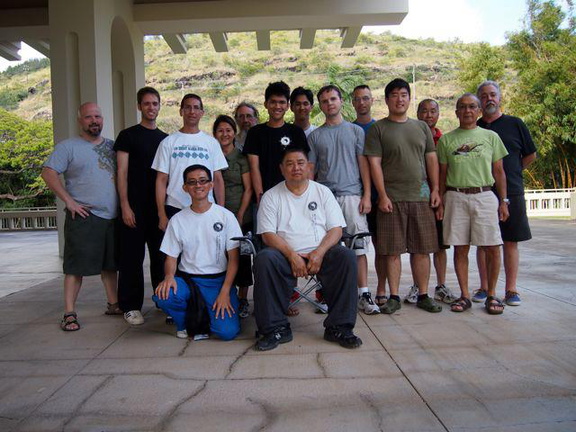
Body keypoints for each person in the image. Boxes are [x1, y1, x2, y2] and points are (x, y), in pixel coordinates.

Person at [253, 146, 362, 351]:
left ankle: (340, 327)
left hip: (321, 252)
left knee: (346, 256)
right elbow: (267, 234)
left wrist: (319, 252)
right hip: (284, 255)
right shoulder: (271, 195)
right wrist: (292, 255)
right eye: (290, 163)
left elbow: (336, 229)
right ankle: (274, 329)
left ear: (309, 167)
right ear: (281, 169)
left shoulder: (322, 192)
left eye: (300, 163)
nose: (296, 168)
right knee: (264, 259)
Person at [364, 78, 443, 315]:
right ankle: (394, 296)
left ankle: (424, 294)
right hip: (392, 199)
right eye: (395, 95)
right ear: (387, 100)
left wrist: (436, 189)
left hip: (421, 197)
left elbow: (431, 159)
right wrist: (383, 195)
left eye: (404, 94)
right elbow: (374, 164)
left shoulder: (421, 127)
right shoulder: (378, 128)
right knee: (392, 250)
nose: (400, 99)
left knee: (422, 249)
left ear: (409, 98)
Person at [41, 102, 119, 331]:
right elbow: (48, 173)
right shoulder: (68, 147)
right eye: (88, 117)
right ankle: (69, 313)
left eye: (98, 116)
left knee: (110, 265)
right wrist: (69, 201)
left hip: (111, 217)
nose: (94, 121)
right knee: (75, 268)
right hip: (85, 216)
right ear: (80, 120)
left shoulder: (112, 147)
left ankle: (113, 304)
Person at [308, 84, 379, 315]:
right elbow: (311, 170)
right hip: (326, 199)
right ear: (320, 105)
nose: (329, 103)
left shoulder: (356, 131)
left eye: (333, 99)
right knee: (329, 249)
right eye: (325, 100)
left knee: (358, 248)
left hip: (352, 197)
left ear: (341, 101)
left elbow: (363, 165)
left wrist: (367, 195)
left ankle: (364, 294)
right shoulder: (316, 136)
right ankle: (329, 295)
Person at [437, 93, 509, 315]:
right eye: (462, 107)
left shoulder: (491, 136)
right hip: (455, 196)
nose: (467, 111)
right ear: (456, 112)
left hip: (484, 195)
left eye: (472, 107)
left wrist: (504, 201)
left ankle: (491, 294)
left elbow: (499, 171)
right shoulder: (446, 140)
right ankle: (465, 295)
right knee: (460, 248)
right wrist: (439, 201)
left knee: (492, 247)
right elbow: (441, 174)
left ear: (478, 111)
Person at [153, 164, 243, 340]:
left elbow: (234, 259)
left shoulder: (225, 216)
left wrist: (225, 291)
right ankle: (185, 323)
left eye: (203, 181)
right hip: (189, 281)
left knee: (227, 333)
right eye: (192, 182)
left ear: (210, 185)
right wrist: (169, 277)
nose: (198, 186)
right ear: (185, 188)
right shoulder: (178, 220)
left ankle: (208, 315)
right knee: (164, 296)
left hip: (217, 282)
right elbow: (171, 256)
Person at [475, 81, 537, 306]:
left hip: (512, 192)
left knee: (511, 241)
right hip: (482, 193)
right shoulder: (475, 127)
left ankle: (511, 289)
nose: (489, 99)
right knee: (484, 243)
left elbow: (530, 155)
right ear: (479, 101)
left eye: (493, 95)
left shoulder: (515, 124)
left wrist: (513, 171)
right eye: (484, 96)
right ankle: (483, 287)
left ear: (499, 98)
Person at [114, 87, 167, 326]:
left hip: (158, 209)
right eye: (146, 103)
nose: (151, 107)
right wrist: (124, 205)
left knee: (160, 257)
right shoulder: (127, 136)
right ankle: (131, 306)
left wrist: (163, 211)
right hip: (133, 208)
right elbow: (121, 172)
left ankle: (163, 300)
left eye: (155, 103)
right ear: (139, 106)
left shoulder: (166, 139)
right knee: (131, 259)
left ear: (159, 106)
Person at [152, 93, 228, 231]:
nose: (192, 112)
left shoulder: (211, 143)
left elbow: (217, 179)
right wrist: (161, 214)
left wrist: (220, 211)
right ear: (181, 111)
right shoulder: (168, 142)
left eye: (196, 108)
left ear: (201, 112)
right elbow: (161, 180)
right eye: (187, 107)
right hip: (175, 207)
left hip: (207, 207)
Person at [415, 99, 457, 304]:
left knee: (441, 245)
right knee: (419, 245)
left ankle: (441, 285)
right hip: (417, 196)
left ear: (438, 114)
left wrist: (440, 194)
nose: (428, 115)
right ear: (417, 114)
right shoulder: (412, 136)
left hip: (440, 196)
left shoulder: (445, 140)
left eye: (433, 111)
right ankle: (418, 286)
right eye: (424, 111)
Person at [213, 114, 254, 319]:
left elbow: (248, 189)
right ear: (214, 134)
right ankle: (222, 294)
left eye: (228, 130)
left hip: (241, 215)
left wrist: (239, 214)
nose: (225, 134)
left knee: (243, 257)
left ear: (234, 133)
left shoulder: (241, 157)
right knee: (220, 256)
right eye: (220, 130)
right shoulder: (211, 155)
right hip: (215, 216)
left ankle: (243, 298)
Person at [243, 81, 309, 205]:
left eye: (282, 102)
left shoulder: (296, 132)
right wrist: (260, 197)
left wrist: (304, 195)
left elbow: (303, 165)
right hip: (266, 196)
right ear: (266, 104)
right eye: (273, 102)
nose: (277, 106)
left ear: (288, 105)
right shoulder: (255, 132)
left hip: (293, 196)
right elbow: (254, 167)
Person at [352, 85, 387, 308]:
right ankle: (351, 291)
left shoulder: (381, 128)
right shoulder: (349, 129)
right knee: (355, 247)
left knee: (381, 246)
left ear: (372, 100)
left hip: (379, 196)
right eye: (358, 99)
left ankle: (381, 290)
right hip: (356, 198)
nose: (362, 102)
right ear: (353, 103)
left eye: (366, 98)